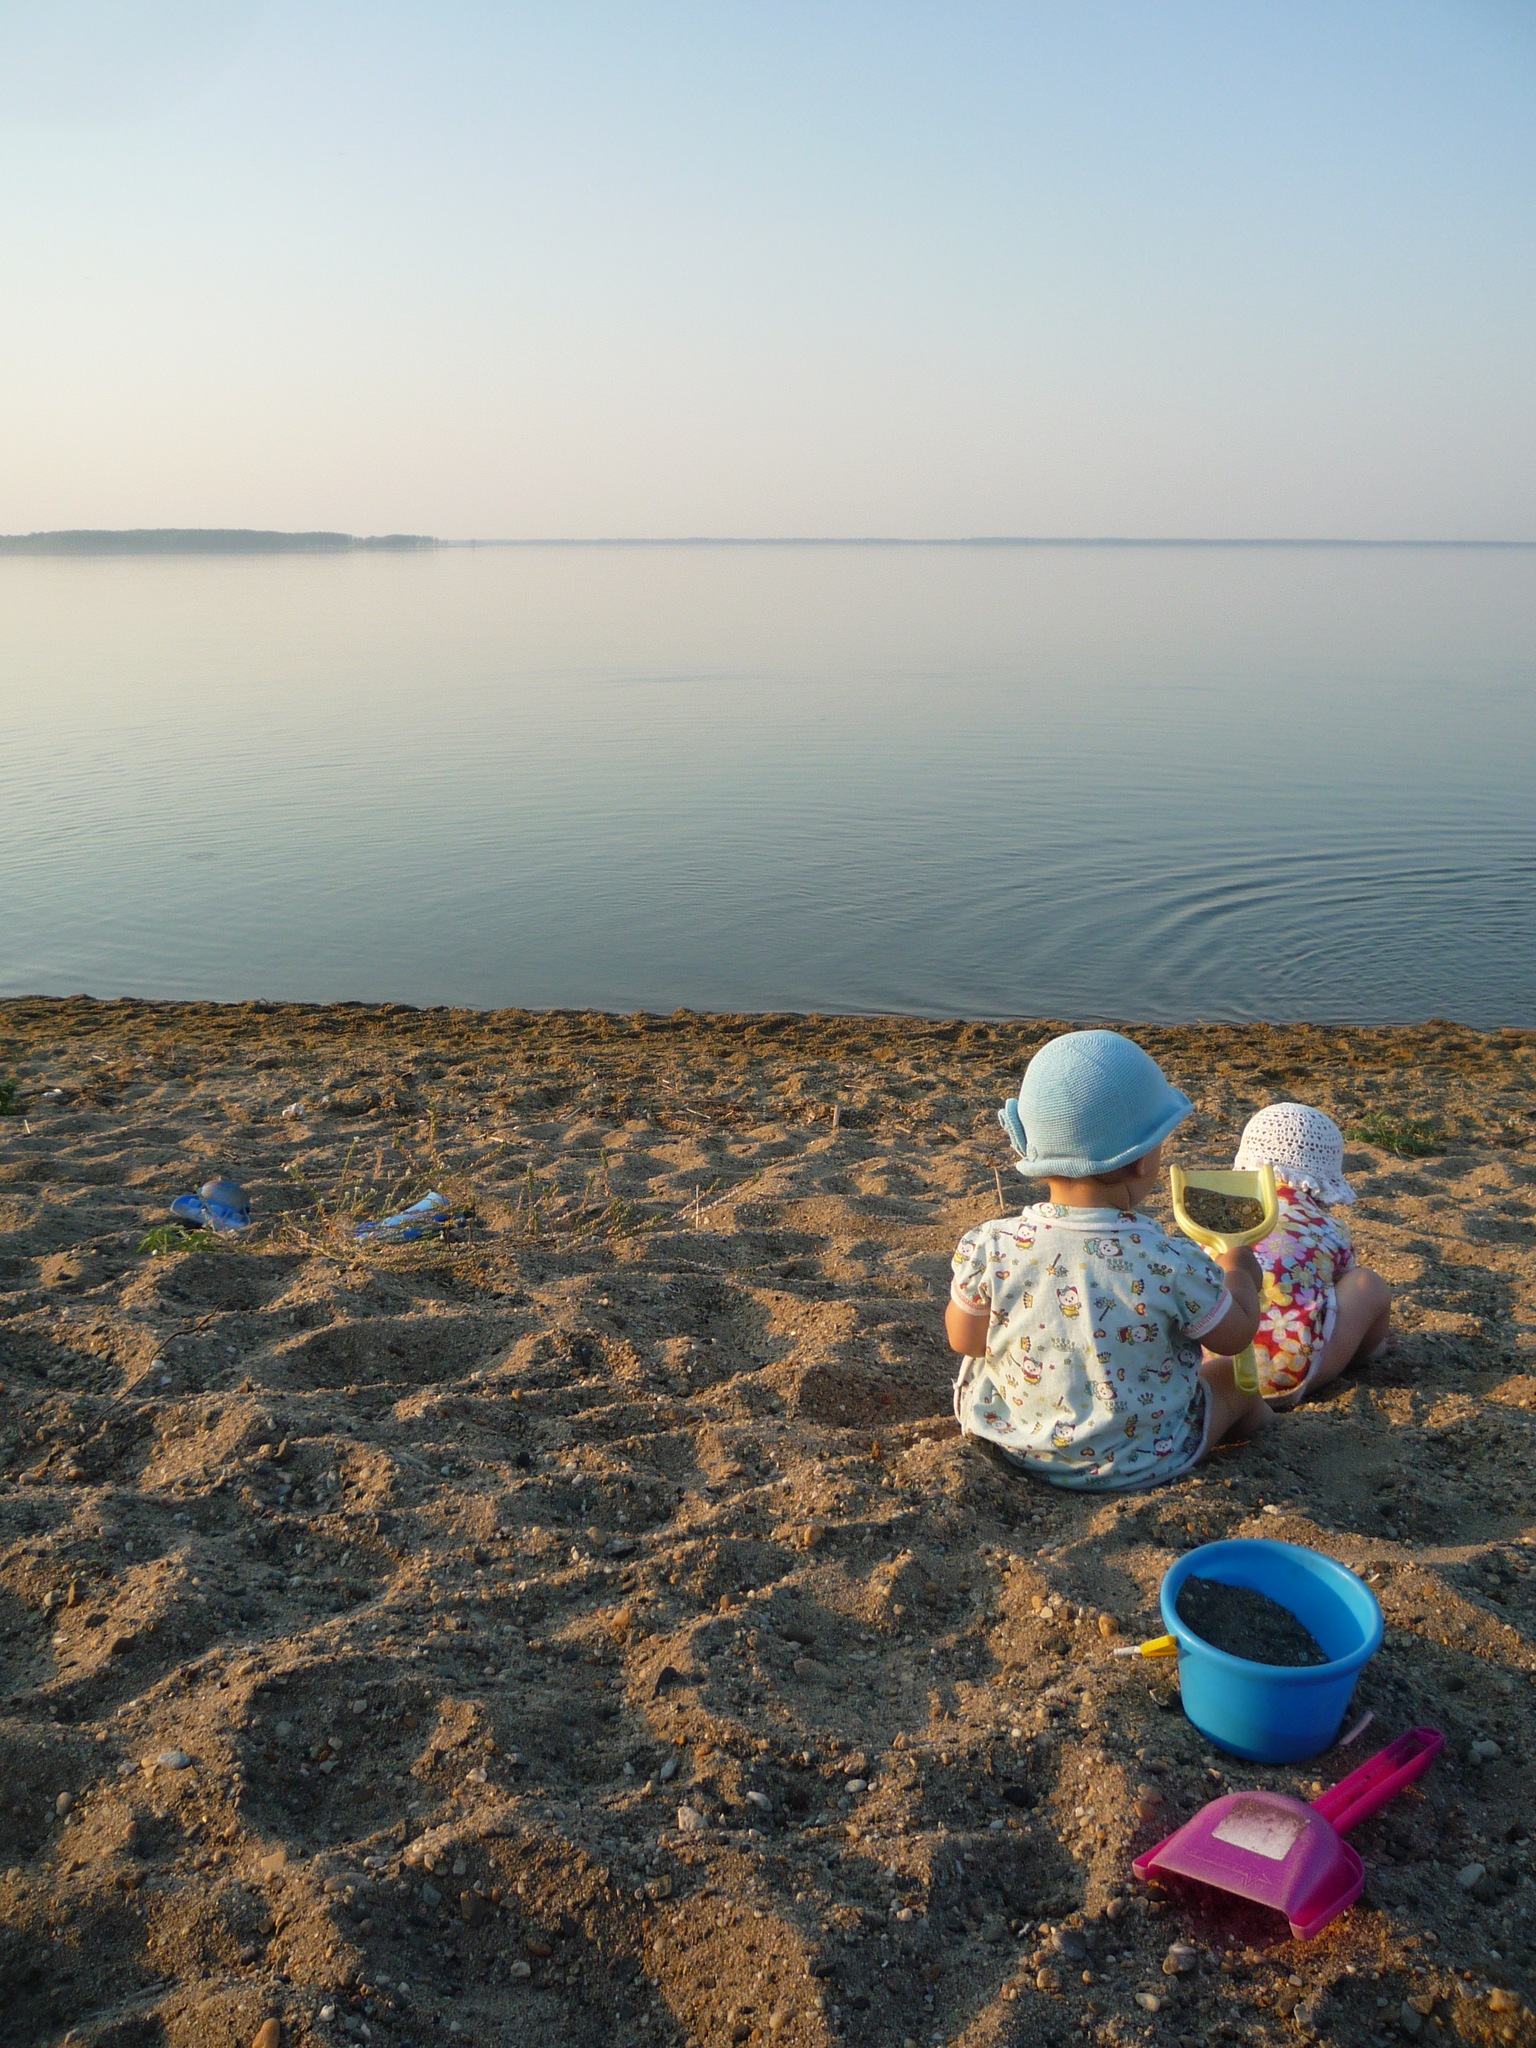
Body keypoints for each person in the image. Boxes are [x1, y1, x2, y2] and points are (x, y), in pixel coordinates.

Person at [945, 1028, 1269, 1491]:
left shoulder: (991, 1244)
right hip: (1139, 1461)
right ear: (1141, 1162)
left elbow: (965, 1340)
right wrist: (1240, 1274)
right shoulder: (1169, 1260)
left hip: (1014, 1446)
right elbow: (1235, 1337)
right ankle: (1270, 1432)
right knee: (1234, 1382)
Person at [1229, 1103, 1391, 1406]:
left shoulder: (1218, 1216)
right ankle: (1368, 1350)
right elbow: (1340, 1286)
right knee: (1366, 1284)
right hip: (1286, 1374)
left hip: (1213, 1367)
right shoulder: (1328, 1227)